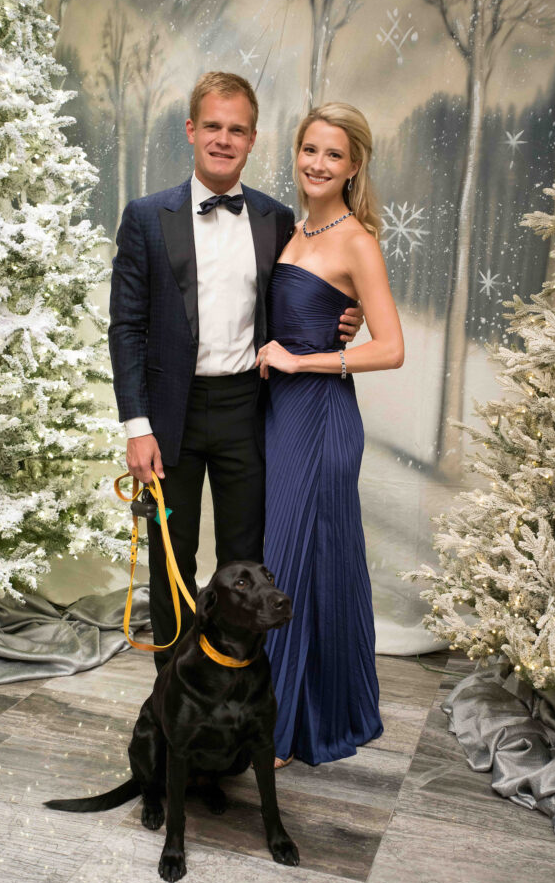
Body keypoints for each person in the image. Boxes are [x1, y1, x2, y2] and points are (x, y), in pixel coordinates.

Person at [108, 73, 363, 671]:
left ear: (253, 140)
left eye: (238, 130)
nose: (224, 140)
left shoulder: (276, 220)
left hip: (250, 411)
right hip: (169, 420)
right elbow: (126, 327)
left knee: (246, 561)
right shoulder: (146, 217)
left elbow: (306, 295)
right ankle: (174, 689)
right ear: (193, 131)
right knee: (171, 555)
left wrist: (342, 321)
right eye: (214, 127)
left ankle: (243, 690)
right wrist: (136, 426)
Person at [255, 103, 404, 767]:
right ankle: (317, 710)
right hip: (280, 417)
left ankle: (280, 728)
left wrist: (303, 358)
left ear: (354, 166)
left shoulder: (357, 241)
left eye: (333, 155)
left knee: (289, 562)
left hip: (320, 418)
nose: (318, 163)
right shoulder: (288, 231)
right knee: (302, 564)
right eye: (309, 149)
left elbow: (392, 347)